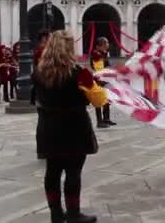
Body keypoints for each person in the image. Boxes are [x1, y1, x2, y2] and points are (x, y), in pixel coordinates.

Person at [33, 31, 103, 223]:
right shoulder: (79, 73)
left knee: (52, 171)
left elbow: (36, 99)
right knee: (73, 172)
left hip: (48, 129)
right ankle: (73, 213)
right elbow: (99, 100)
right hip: (74, 128)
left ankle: (55, 214)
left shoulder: (38, 72)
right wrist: (95, 84)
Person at [90, 37, 116, 128]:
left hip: (105, 78)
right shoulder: (96, 54)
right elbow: (99, 68)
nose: (107, 45)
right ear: (98, 46)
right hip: (99, 79)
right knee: (98, 100)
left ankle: (106, 118)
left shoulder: (103, 54)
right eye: (105, 43)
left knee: (106, 98)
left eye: (107, 43)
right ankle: (99, 121)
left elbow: (107, 65)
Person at [32, 30, 51, 105]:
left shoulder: (44, 51)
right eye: (50, 38)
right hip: (44, 81)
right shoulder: (41, 52)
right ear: (44, 39)